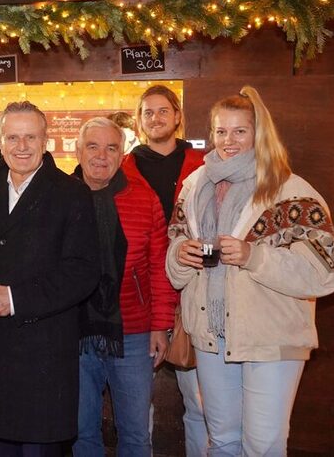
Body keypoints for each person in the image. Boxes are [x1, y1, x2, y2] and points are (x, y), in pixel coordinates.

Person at [167, 86, 334, 456]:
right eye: (221, 131)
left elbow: (324, 272)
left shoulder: (290, 191)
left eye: (239, 131)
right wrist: (180, 256)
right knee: (223, 441)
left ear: (258, 133)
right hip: (212, 337)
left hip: (270, 337)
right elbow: (175, 248)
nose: (229, 141)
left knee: (262, 446)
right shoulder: (194, 186)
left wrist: (253, 256)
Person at [0, 101, 100, 456]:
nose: (21, 146)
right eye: (13, 137)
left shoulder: (71, 192)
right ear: (1, 142)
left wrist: (16, 299)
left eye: (30, 137)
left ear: (45, 140)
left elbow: (82, 271)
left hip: (42, 356)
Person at [71, 118, 173, 457]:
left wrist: (160, 325)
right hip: (73, 332)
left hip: (133, 333)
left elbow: (159, 267)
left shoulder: (144, 199)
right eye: (93, 146)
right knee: (81, 432)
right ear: (78, 150)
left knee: (135, 434)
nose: (102, 156)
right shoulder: (60, 197)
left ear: (122, 153)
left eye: (111, 147)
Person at [123, 84, 207, 456]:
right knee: (139, 401)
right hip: (141, 297)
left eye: (162, 110)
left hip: (194, 292)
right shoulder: (124, 167)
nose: (156, 118)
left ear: (177, 115)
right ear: (139, 121)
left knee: (199, 398)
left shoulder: (204, 165)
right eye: (148, 112)